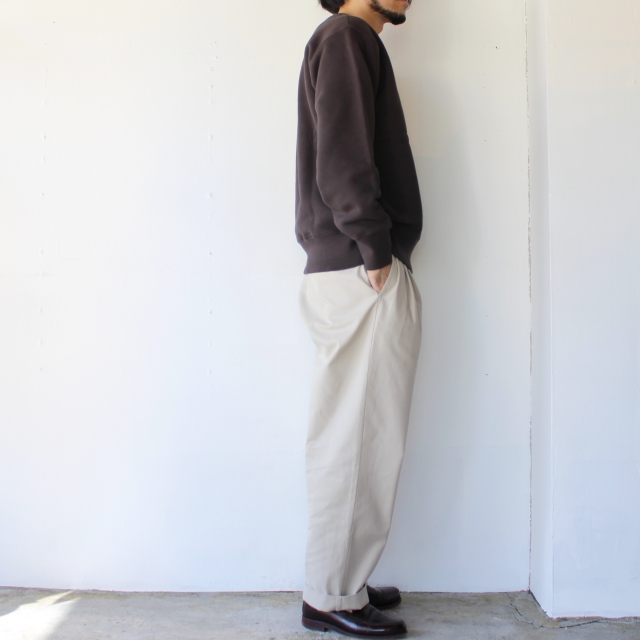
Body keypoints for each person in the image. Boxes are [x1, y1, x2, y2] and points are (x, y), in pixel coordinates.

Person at [295, 0, 422, 637]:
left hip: (352, 266)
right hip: (360, 269)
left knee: (358, 435)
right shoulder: (347, 34)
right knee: (358, 440)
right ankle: (332, 597)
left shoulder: (348, 39)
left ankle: (342, 577)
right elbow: (342, 155)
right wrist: (374, 249)